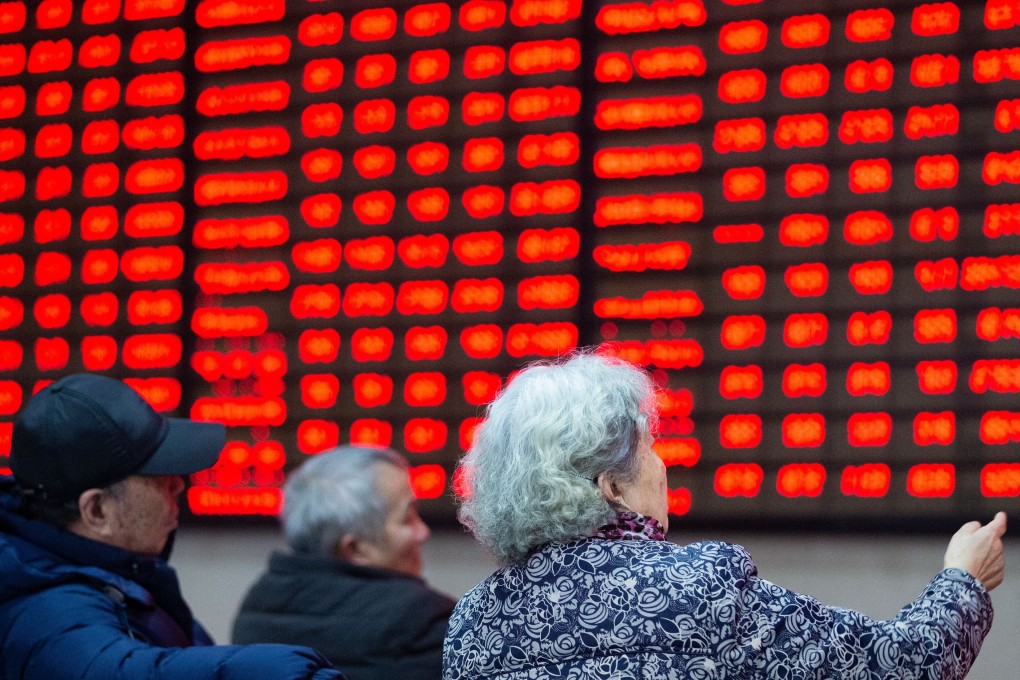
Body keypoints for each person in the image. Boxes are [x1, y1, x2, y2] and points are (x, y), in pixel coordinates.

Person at [443, 349, 1007, 680]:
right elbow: (896, 665)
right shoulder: (701, 587)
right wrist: (964, 580)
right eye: (648, 449)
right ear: (611, 485)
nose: (663, 467)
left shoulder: (472, 623)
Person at [0, 373, 344, 680]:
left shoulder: (119, 574)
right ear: (98, 510)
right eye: (158, 477)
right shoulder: (47, 612)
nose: (179, 485)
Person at [232, 445, 455, 680]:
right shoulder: (424, 620)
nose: (423, 532)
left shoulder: (254, 611)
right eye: (407, 517)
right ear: (355, 548)